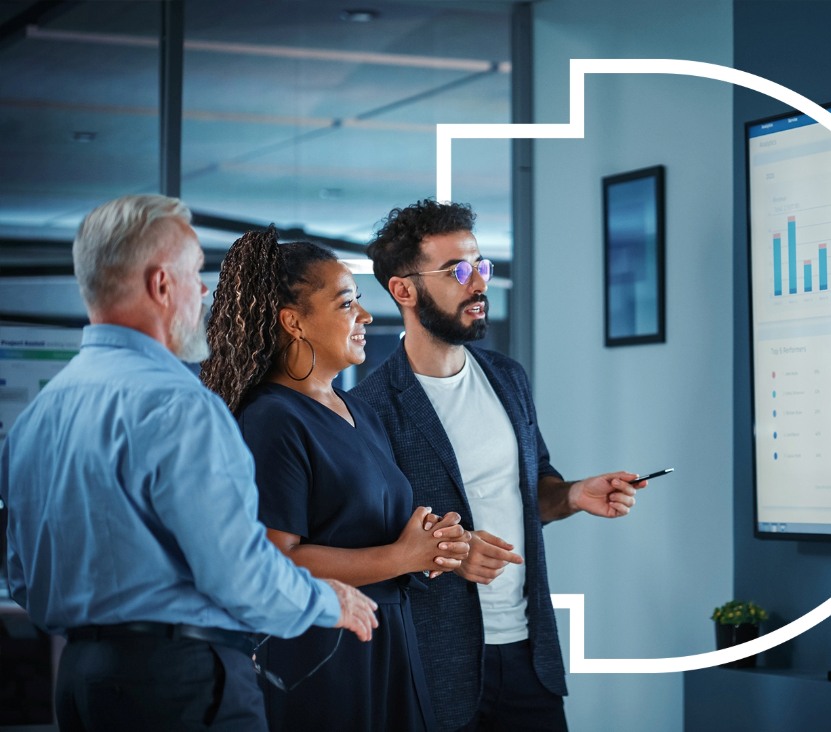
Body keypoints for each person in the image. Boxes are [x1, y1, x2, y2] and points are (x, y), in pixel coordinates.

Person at [0, 195, 379, 732]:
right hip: (179, 685)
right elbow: (238, 570)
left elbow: (21, 576)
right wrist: (328, 601)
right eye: (193, 273)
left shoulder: (41, 414)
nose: (203, 292)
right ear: (160, 285)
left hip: (80, 683)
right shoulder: (178, 404)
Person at [352, 199, 647, 732]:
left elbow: (535, 490)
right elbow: (370, 544)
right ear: (404, 290)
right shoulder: (371, 407)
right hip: (437, 666)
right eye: (457, 271)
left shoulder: (508, 378)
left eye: (481, 266)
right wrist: (449, 557)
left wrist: (575, 494)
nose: (478, 283)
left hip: (530, 657)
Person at [200, 226, 471, 731]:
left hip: (387, 641)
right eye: (347, 304)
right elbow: (276, 559)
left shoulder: (356, 410)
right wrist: (399, 556)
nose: (366, 316)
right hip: (323, 657)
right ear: (294, 322)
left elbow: (366, 527)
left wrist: (431, 546)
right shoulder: (272, 420)